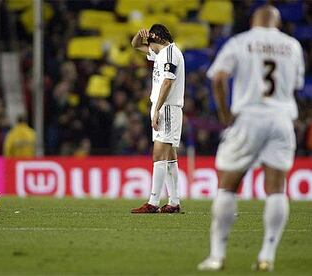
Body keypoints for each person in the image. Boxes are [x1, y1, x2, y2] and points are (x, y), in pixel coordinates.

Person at [197, 5, 304, 271]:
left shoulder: (240, 42)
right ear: (277, 23)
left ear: (254, 21)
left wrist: (224, 114)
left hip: (248, 117)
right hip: (281, 120)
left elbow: (219, 78)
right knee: (277, 188)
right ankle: (267, 255)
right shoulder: (292, 46)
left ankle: (217, 256)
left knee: (228, 185)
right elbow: (297, 86)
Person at [130, 24, 185, 213]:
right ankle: (174, 202)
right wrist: (140, 35)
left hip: (167, 107)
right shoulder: (160, 54)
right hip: (163, 107)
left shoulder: (170, 53)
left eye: (150, 42)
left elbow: (168, 82)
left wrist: (157, 110)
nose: (148, 47)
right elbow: (136, 45)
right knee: (169, 156)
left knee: (159, 154)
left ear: (157, 39)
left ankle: (153, 202)